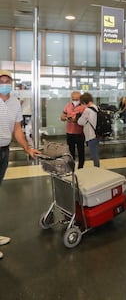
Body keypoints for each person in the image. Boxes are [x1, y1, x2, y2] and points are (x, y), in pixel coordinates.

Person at [0, 70, 40, 259]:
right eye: (1, 81)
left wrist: (27, 148)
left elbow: (17, 129)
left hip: (4, 151)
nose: (5, 83)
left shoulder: (15, 102)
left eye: (7, 80)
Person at [60, 91, 86, 169]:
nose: (75, 101)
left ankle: (81, 167)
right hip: (69, 132)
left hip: (79, 132)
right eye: (73, 99)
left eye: (76, 99)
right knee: (71, 152)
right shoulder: (68, 106)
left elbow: (85, 119)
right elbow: (61, 117)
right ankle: (71, 167)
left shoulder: (83, 107)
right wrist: (67, 118)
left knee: (81, 151)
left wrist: (77, 119)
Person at [77, 92, 100, 167]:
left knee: (94, 154)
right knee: (95, 153)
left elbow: (80, 122)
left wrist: (78, 116)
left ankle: (97, 169)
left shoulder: (87, 110)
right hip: (97, 134)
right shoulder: (96, 108)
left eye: (82, 103)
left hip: (91, 135)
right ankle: (97, 168)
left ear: (84, 102)